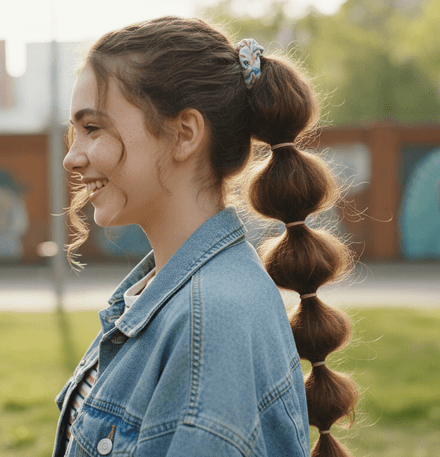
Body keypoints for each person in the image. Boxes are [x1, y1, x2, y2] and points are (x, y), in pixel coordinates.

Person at [54, 16, 358, 457]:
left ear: (184, 134)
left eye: (92, 128)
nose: (71, 157)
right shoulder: (168, 296)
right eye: (75, 130)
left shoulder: (210, 324)